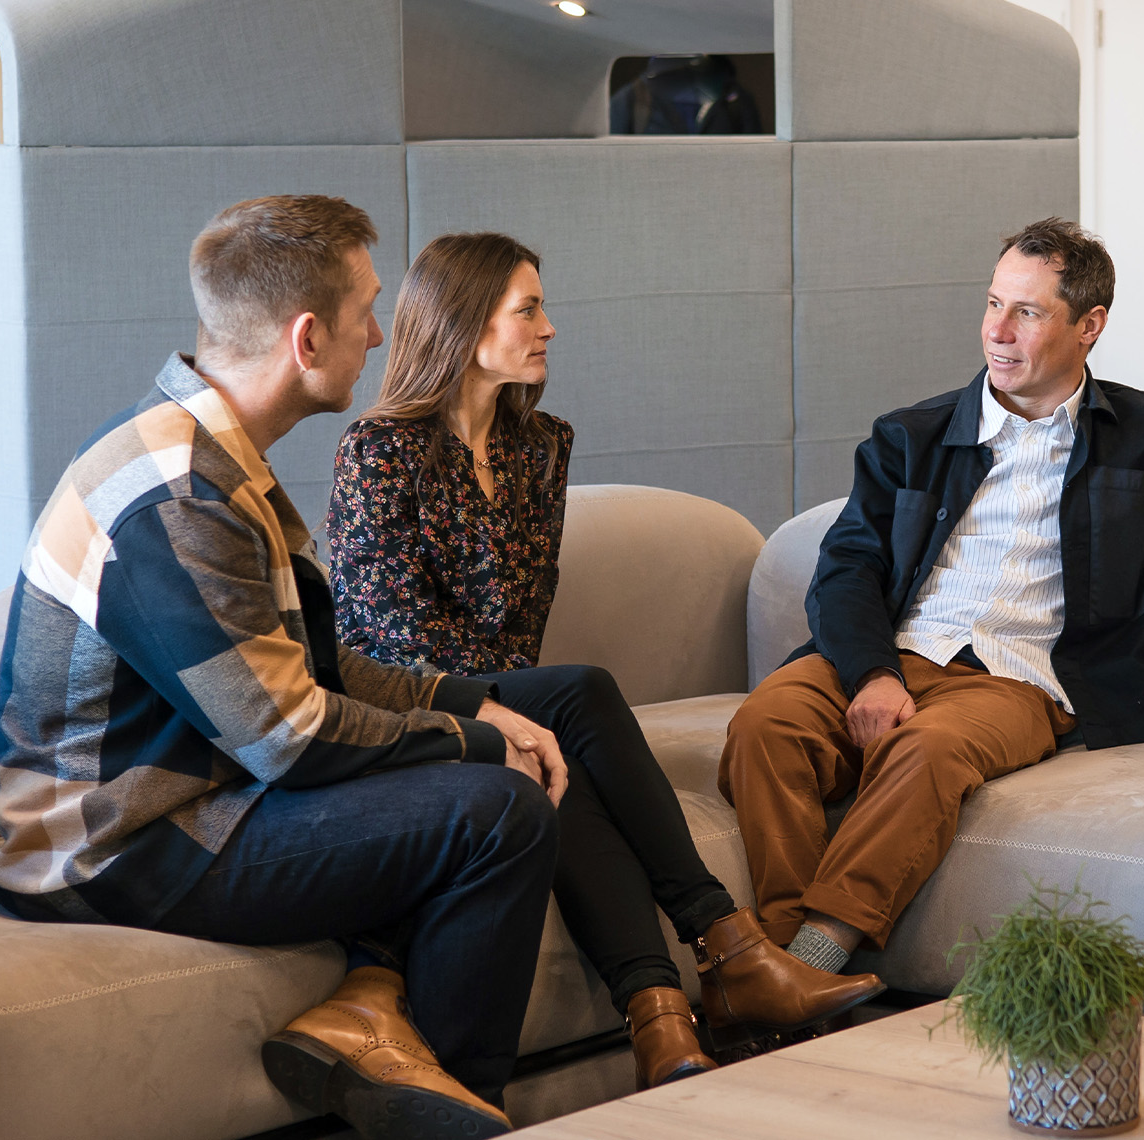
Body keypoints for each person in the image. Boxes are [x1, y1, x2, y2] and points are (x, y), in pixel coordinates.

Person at [0, 196, 557, 1140]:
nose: (380, 335)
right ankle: (457, 1109)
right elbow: (289, 737)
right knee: (496, 812)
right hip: (112, 845)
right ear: (306, 337)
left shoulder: (211, 455)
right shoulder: (175, 496)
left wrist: (475, 712)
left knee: (499, 752)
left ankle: (383, 1022)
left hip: (204, 796)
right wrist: (470, 738)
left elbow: (311, 669)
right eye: (367, 311)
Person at [719, 217, 1144, 974]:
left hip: (1019, 680)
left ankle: (809, 963)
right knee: (765, 723)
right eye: (993, 305)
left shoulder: (1143, 433)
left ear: (1090, 326)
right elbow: (846, 569)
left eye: (1027, 313)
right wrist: (872, 674)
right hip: (889, 652)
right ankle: (782, 972)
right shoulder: (910, 437)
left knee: (928, 751)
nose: (999, 332)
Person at [324, 231, 883, 1085]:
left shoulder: (539, 445)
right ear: (468, 325)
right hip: (401, 707)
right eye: (529, 309)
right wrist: (503, 709)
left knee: (558, 772)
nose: (549, 327)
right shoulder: (379, 450)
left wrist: (517, 718)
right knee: (578, 697)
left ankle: (662, 1021)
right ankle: (726, 946)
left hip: (504, 696)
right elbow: (393, 634)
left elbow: (521, 626)